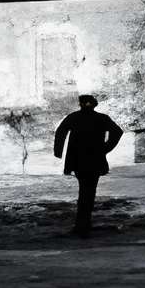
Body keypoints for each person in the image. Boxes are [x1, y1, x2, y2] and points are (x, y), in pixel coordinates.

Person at [51, 92, 124, 236]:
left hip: (78, 160)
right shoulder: (101, 118)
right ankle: (84, 223)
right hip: (95, 160)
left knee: (84, 191)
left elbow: (61, 132)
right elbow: (117, 132)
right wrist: (105, 148)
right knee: (89, 191)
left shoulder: (74, 117)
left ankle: (82, 224)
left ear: (80, 104)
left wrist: (58, 152)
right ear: (94, 104)